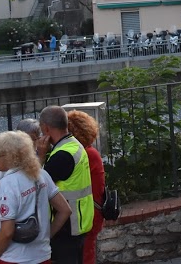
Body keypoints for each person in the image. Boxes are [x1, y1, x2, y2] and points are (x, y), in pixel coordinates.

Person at [0, 130, 71, 264]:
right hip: (43, 255)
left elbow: (7, 231)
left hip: (14, 258)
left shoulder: (7, 183)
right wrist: (46, 236)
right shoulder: (41, 175)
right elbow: (65, 210)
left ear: (11, 156)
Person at [37, 105, 94, 264]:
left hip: (65, 226)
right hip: (78, 221)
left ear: (46, 129)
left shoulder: (62, 155)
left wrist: (41, 156)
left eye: (41, 129)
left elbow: (38, 185)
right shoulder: (73, 145)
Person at [66, 111, 105, 264]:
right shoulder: (90, 152)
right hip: (93, 210)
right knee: (86, 252)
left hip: (86, 213)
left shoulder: (81, 154)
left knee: (85, 255)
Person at [0, 119, 42, 199]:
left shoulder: (45, 156)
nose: (28, 143)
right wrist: (9, 184)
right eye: (22, 140)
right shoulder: (9, 161)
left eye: (31, 139)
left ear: (39, 139)